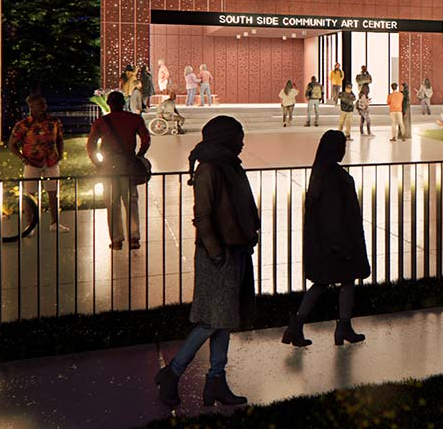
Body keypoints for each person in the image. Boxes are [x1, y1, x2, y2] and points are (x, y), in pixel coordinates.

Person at [154, 115, 259, 409]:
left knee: (223, 319)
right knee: (213, 321)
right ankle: (172, 372)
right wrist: (215, 252)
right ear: (225, 138)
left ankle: (216, 380)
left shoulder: (229, 166)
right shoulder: (210, 169)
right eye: (238, 136)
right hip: (219, 254)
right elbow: (203, 215)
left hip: (234, 249)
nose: (242, 142)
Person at [281, 129, 369, 348]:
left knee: (323, 283)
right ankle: (342, 326)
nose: (344, 150)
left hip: (327, 243)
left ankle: (299, 324)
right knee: (346, 281)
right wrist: (342, 245)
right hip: (338, 242)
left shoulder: (321, 173)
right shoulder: (333, 177)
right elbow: (333, 215)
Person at [87, 90, 151, 250]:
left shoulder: (101, 122)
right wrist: (139, 155)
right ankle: (134, 237)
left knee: (112, 201)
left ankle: (116, 239)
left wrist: (97, 163)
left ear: (109, 104)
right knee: (131, 200)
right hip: (128, 162)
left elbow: (91, 146)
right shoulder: (134, 119)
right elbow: (146, 139)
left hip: (108, 163)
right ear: (124, 103)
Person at [8, 94, 69, 232]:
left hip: (51, 161)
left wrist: (59, 155)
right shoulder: (23, 125)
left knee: (53, 192)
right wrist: (23, 158)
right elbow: (12, 144)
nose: (43, 108)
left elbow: (59, 139)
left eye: (44, 104)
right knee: (29, 194)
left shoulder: (54, 122)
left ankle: (54, 223)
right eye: (40, 105)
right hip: (32, 163)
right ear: (31, 107)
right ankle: (30, 225)